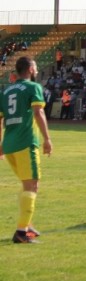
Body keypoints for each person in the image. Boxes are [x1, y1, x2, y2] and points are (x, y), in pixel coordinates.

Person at [0, 57, 53, 244]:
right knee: (32, 186)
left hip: (9, 144)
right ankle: (22, 232)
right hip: (25, 142)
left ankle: (27, 225)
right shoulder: (33, 88)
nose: (37, 70)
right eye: (36, 67)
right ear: (30, 69)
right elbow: (38, 112)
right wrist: (47, 139)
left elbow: (0, 119)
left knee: (26, 184)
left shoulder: (6, 90)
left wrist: (0, 145)